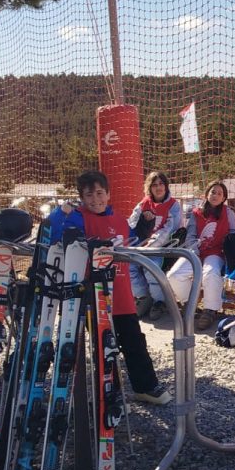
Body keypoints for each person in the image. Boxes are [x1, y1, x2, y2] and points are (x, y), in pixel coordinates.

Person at [51, 170, 172, 405]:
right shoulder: (78, 217)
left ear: (108, 194)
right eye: (89, 195)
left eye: (99, 193)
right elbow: (57, 236)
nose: (95, 199)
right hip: (94, 295)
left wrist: (145, 225)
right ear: (81, 198)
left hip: (122, 294)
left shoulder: (117, 219)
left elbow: (132, 239)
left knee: (134, 340)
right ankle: (110, 391)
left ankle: (145, 387)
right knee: (104, 344)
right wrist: (60, 213)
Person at [167, 180, 235, 332]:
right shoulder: (196, 213)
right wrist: (194, 250)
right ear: (206, 194)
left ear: (224, 198)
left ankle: (210, 310)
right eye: (213, 192)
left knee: (210, 273)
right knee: (174, 274)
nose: (215, 195)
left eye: (219, 193)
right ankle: (190, 303)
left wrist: (228, 248)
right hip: (197, 251)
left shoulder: (228, 213)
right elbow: (191, 235)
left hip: (217, 252)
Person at [128, 171, 185, 321]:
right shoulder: (143, 204)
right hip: (141, 245)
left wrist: (152, 244)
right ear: (149, 187)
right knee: (129, 266)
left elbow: (170, 229)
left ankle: (159, 301)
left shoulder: (173, 205)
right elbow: (132, 223)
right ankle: (143, 297)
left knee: (151, 268)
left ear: (166, 186)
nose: (158, 188)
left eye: (161, 184)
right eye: (154, 185)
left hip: (162, 247)